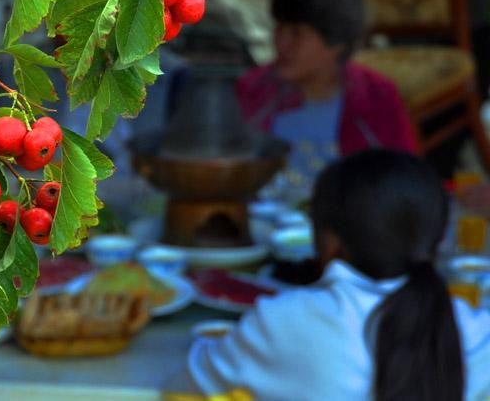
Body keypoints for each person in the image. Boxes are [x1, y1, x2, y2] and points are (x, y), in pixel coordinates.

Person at [186, 149, 490, 400]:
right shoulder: (477, 334)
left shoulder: (284, 322)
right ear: (438, 236)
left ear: (329, 243)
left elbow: (188, 381)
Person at [236, 0, 417, 196]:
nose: (282, 43)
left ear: (336, 43)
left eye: (297, 34)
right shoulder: (252, 89)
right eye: (280, 28)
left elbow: (405, 181)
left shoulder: (376, 97)